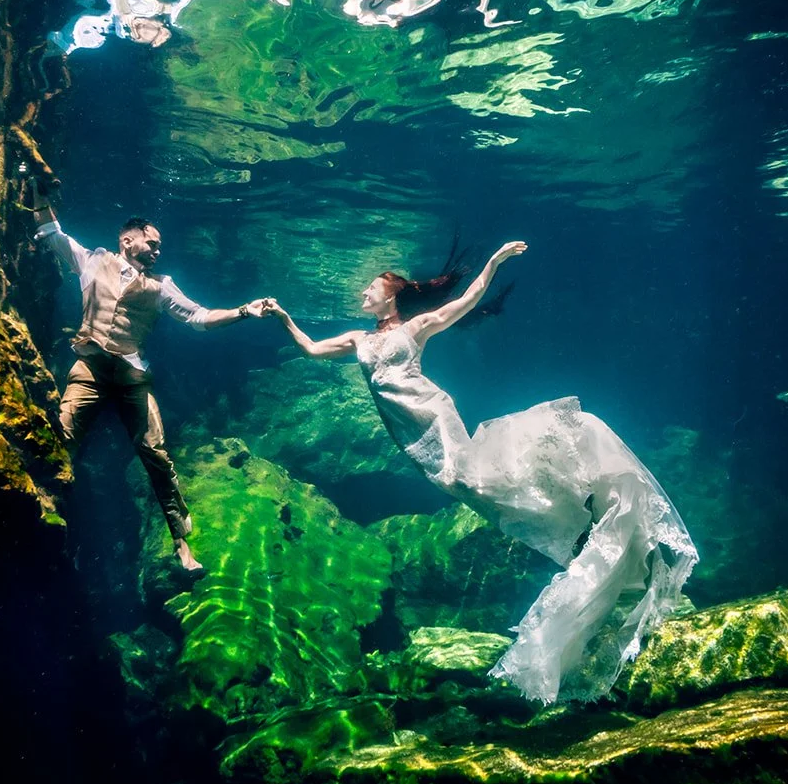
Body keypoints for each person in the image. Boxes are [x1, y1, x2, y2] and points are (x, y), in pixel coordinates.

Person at [260, 241, 697, 704]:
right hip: (411, 438)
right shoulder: (358, 340)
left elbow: (466, 301)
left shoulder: (417, 328)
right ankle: (574, 519)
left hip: (433, 417)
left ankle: (574, 497)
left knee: (476, 480)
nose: (364, 292)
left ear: (391, 296)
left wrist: (496, 260)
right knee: (474, 491)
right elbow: (309, 350)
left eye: (371, 287)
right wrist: (283, 316)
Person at [36, 214, 267, 572]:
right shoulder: (92, 261)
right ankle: (42, 504)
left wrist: (243, 312)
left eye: (159, 246)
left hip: (132, 377)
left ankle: (181, 545)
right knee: (62, 434)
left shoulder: (161, 287)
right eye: (153, 243)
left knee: (156, 454)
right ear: (127, 241)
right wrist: (38, 186)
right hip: (91, 368)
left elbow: (200, 318)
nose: (158, 251)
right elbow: (53, 233)